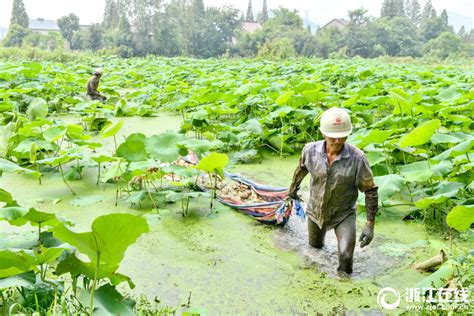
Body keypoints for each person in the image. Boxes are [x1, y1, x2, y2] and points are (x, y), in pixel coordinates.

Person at [288, 107, 378, 275]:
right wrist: (292, 191)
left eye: (342, 136)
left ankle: (344, 289)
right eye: (333, 136)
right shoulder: (310, 151)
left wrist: (370, 225)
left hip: (343, 214)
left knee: (345, 257)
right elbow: (301, 169)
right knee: (315, 248)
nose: (337, 141)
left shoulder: (358, 159)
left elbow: (371, 190)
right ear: (323, 133)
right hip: (316, 211)